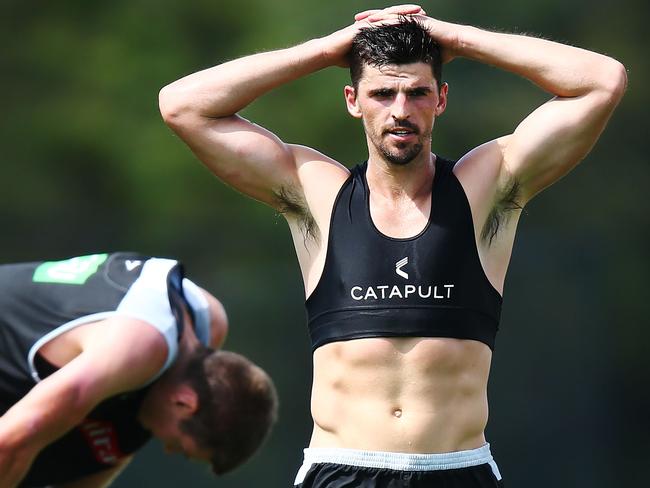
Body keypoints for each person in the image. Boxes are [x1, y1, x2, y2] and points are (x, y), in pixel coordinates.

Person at [158, 4, 626, 487]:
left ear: (441, 98)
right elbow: (182, 106)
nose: (401, 111)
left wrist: (456, 38)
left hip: (457, 470)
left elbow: (602, 81)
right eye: (382, 93)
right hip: (342, 471)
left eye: (417, 92)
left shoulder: (485, 187)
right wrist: (324, 50)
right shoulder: (316, 192)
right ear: (352, 99)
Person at [0, 251, 278, 487]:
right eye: (180, 447)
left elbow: (116, 448)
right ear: (185, 402)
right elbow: (9, 441)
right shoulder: (143, 345)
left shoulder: (207, 322)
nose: (167, 449)